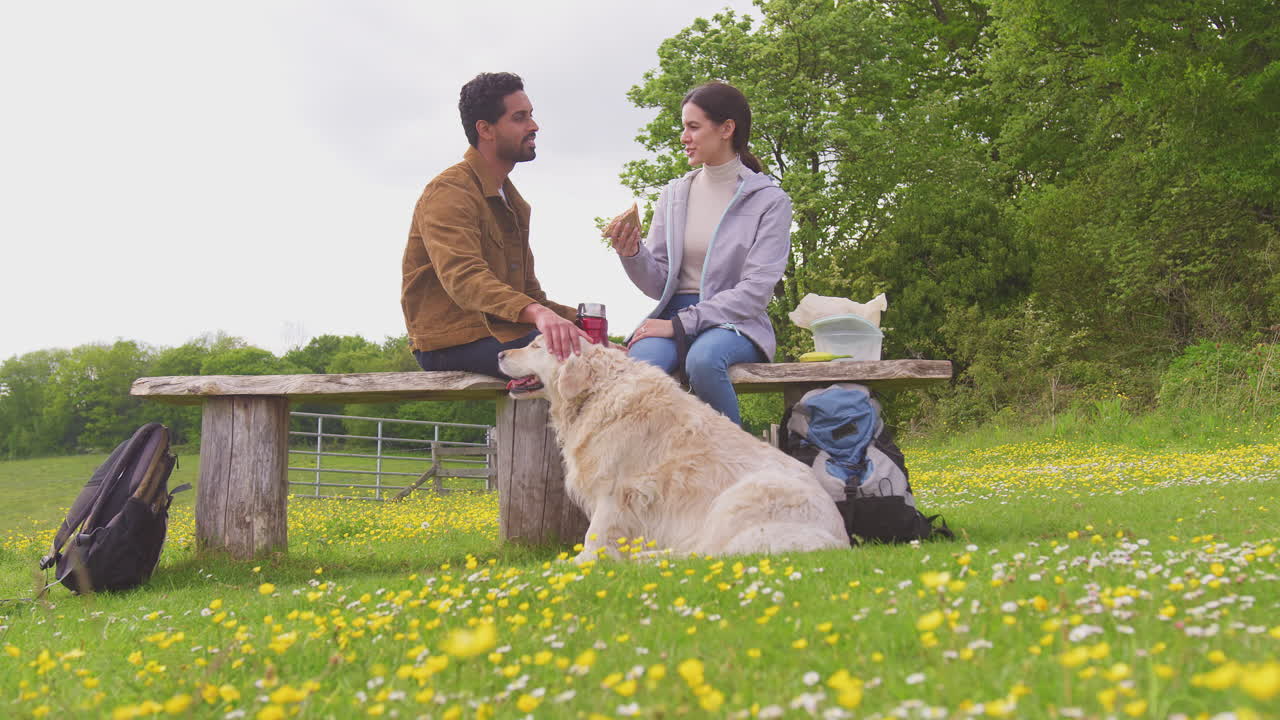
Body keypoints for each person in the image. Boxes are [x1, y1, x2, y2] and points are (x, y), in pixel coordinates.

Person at [604, 82, 792, 427]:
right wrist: (632, 254)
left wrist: (680, 324)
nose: (683, 137)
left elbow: (755, 292)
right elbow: (659, 282)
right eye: (683, 127)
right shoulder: (674, 195)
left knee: (704, 361)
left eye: (693, 126)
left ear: (726, 129)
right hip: (673, 314)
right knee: (635, 370)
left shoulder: (770, 201)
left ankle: (735, 466)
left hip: (735, 322)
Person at [402, 72, 589, 378]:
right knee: (573, 360)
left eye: (531, 116)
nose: (534, 126)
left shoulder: (512, 203)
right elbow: (464, 278)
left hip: (503, 331)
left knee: (599, 352)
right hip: (450, 341)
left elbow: (530, 294)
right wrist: (540, 316)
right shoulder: (450, 191)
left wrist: (583, 323)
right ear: (485, 130)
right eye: (520, 118)